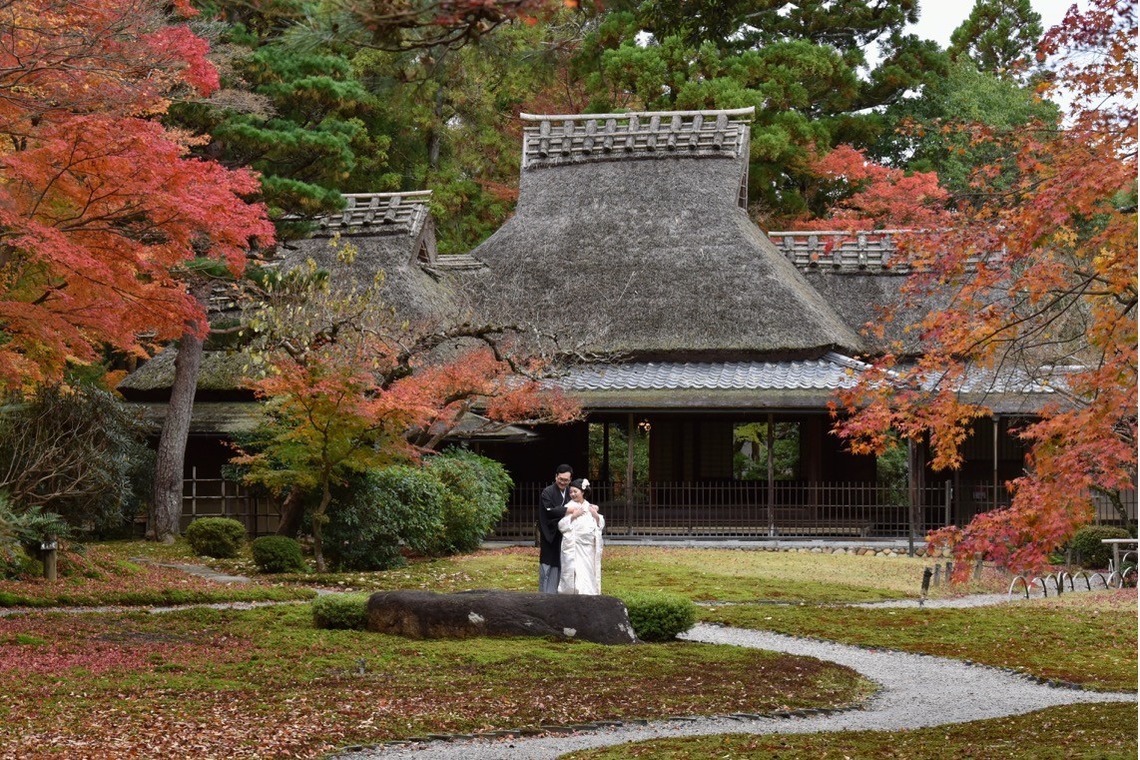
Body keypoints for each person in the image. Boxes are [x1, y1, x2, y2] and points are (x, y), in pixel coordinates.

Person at [557, 478, 605, 595]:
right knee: (575, 572)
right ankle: (575, 597)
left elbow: (600, 524)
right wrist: (573, 516)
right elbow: (561, 525)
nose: (572, 494)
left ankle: (590, 595)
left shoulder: (590, 506)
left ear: (583, 492)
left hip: (588, 548)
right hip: (575, 546)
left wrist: (596, 516)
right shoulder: (569, 507)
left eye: (575, 491)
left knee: (588, 572)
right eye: (571, 492)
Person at [537, 464, 573, 592]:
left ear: (570, 480)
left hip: (564, 535)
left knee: (562, 563)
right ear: (556, 476)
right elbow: (549, 511)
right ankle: (545, 594)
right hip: (550, 533)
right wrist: (567, 510)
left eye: (566, 480)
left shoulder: (570, 492)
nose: (563, 482)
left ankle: (559, 594)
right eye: (561, 479)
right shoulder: (548, 492)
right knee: (548, 563)